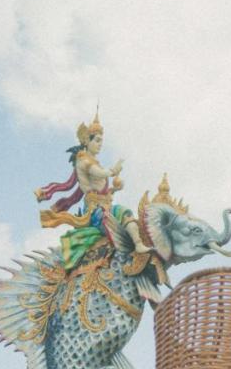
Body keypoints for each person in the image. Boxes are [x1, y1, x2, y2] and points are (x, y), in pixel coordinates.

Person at [35, 111, 150, 269]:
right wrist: (113, 170)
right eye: (97, 140)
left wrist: (114, 189)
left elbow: (102, 189)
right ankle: (124, 253)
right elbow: (99, 173)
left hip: (106, 207)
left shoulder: (94, 161)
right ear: (86, 141)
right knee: (112, 217)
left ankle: (138, 244)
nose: (100, 144)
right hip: (95, 212)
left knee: (126, 213)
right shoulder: (83, 160)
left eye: (101, 141)